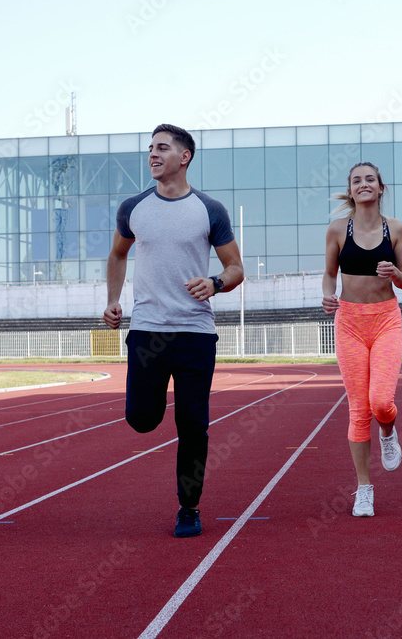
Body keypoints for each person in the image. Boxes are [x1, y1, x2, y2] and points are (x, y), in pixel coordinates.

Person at [103, 124, 243, 538]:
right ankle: (152, 402)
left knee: (192, 424)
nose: (152, 154)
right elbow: (117, 254)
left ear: (184, 157)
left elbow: (235, 268)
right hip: (147, 330)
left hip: (195, 333)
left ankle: (189, 507)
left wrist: (215, 283)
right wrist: (113, 300)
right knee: (142, 419)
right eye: (150, 148)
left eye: (162, 148)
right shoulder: (133, 207)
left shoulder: (209, 210)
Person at [322, 162, 402, 517]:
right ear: (351, 189)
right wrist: (327, 296)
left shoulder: (397, 229)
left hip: (386, 320)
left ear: (380, 187)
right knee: (358, 410)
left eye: (369, 179)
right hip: (350, 324)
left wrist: (395, 272)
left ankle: (388, 431)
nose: (363, 184)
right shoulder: (336, 230)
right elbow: (329, 275)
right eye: (356, 180)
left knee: (380, 402)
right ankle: (364, 489)